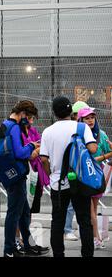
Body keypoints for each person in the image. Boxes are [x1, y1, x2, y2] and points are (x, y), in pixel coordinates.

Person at [40, 96, 98, 257]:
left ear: (54, 113)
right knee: (84, 221)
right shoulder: (81, 128)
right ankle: (87, 254)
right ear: (70, 111)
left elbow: (43, 158)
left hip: (58, 183)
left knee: (57, 221)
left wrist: (51, 174)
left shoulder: (48, 131)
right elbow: (93, 149)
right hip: (80, 182)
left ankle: (59, 254)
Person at [0, 100, 47, 257]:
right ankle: (9, 249)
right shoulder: (13, 127)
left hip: (10, 174)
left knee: (24, 212)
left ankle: (28, 245)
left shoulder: (6, 124)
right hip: (16, 176)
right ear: (23, 114)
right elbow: (20, 153)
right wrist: (32, 145)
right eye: (29, 116)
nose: (30, 120)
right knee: (14, 213)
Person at [77, 107, 112, 250]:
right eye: (87, 118)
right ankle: (95, 237)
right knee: (89, 208)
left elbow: (109, 152)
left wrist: (101, 158)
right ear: (80, 120)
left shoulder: (101, 135)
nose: (90, 120)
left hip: (97, 177)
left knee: (93, 207)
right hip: (83, 177)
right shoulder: (78, 135)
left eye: (92, 117)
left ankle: (93, 237)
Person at [15, 114, 50, 253]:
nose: (31, 120)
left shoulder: (34, 131)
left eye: (32, 117)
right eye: (29, 117)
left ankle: (27, 240)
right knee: (20, 210)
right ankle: (17, 240)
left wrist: (35, 149)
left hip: (36, 174)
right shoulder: (17, 132)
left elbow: (41, 147)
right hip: (24, 174)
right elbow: (27, 154)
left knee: (30, 210)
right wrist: (35, 149)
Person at [64, 101, 90, 241]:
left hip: (84, 172)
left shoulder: (88, 130)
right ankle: (67, 229)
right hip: (73, 171)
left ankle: (78, 229)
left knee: (85, 204)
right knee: (70, 204)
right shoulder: (74, 129)